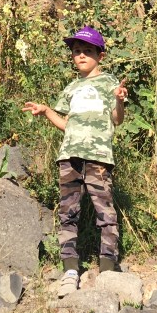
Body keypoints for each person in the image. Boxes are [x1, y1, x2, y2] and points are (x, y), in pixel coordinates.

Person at [22, 25, 128, 296]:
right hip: (69, 157)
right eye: (76, 51)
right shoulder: (71, 88)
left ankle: (107, 269)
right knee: (68, 212)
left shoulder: (110, 84)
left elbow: (117, 120)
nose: (81, 55)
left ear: (100, 56)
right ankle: (70, 269)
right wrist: (46, 111)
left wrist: (119, 101)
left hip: (98, 158)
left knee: (105, 213)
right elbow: (66, 124)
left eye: (87, 51)